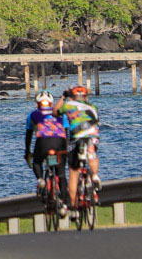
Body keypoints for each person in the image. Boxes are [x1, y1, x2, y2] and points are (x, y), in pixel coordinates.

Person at [55, 84, 101, 213]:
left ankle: (74, 205)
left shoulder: (69, 105)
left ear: (73, 96)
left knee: (74, 171)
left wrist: (63, 97)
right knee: (92, 154)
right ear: (85, 97)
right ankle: (95, 176)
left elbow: (55, 112)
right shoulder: (93, 107)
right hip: (93, 136)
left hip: (76, 138)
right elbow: (97, 122)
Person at [24, 90, 69, 217]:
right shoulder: (61, 114)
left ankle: (40, 180)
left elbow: (29, 135)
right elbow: (66, 133)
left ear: (37, 104)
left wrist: (27, 151)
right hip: (59, 143)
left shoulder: (33, 114)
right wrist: (66, 150)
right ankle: (64, 204)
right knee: (61, 175)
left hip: (43, 143)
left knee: (37, 162)